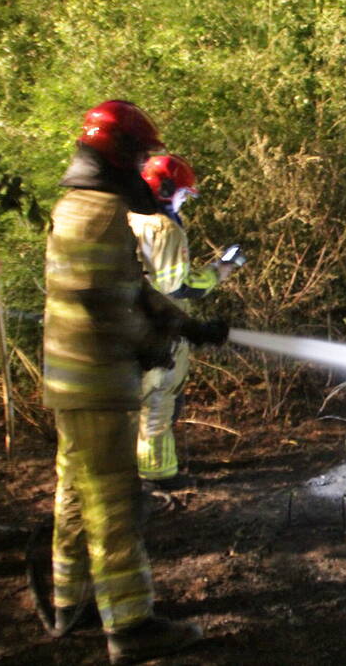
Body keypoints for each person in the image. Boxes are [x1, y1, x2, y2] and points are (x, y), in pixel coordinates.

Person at [44, 99, 228, 664]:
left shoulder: (81, 205)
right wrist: (153, 342)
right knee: (114, 502)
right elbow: (102, 303)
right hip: (96, 380)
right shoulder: (99, 211)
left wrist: (181, 324)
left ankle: (66, 602)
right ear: (120, 153)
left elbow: (123, 285)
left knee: (76, 493)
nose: (146, 164)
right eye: (141, 152)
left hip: (78, 379)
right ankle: (130, 626)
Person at [129, 154, 239, 489]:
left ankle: (127, 471)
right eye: (182, 194)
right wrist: (221, 270)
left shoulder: (123, 216)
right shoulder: (165, 229)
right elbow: (179, 287)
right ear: (164, 189)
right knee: (160, 401)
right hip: (154, 329)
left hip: (120, 325)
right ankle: (158, 476)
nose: (183, 201)